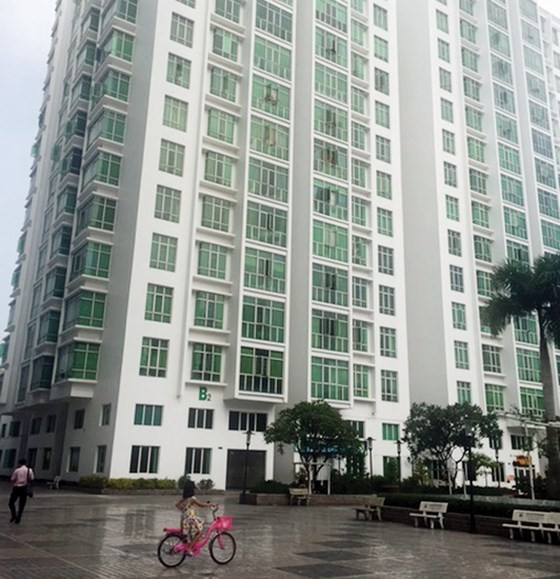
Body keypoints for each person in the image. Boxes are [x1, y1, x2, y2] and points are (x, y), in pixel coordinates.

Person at [176, 480, 217, 554]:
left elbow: (177, 505)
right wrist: (210, 504)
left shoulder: (184, 499)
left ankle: (192, 543)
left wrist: (184, 509)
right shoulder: (192, 499)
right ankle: (189, 548)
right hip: (189, 519)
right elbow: (201, 505)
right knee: (200, 532)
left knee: (199, 523)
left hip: (184, 519)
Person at [9, 458, 34, 524]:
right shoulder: (29, 470)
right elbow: (32, 478)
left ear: (19, 463)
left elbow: (12, 479)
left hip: (16, 488)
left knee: (11, 503)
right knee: (21, 504)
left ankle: (14, 515)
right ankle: (18, 519)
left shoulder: (17, 470)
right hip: (24, 489)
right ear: (26, 463)